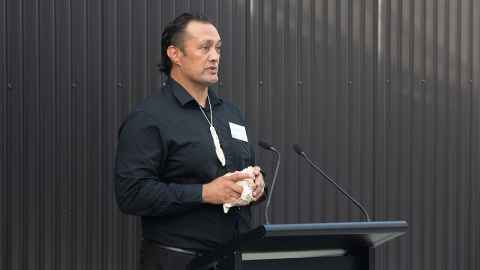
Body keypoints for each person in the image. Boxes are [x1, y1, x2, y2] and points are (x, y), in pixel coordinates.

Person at [114, 13, 266, 270]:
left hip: (235, 258)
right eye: (204, 47)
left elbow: (241, 168)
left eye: (218, 48)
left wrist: (256, 182)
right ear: (175, 54)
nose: (215, 56)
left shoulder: (230, 113)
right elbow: (131, 194)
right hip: (177, 260)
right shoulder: (149, 117)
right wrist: (205, 193)